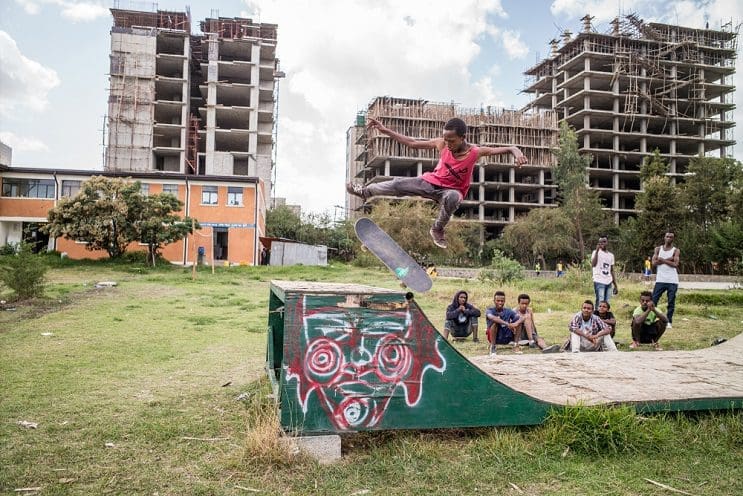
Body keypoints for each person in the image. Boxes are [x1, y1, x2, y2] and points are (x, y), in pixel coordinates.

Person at [347, 117, 527, 249]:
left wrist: (516, 150)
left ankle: (437, 228)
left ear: (463, 137)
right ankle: (366, 191)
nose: (447, 144)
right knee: (398, 184)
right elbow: (412, 143)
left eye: (452, 140)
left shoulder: (475, 152)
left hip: (450, 191)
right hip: (430, 182)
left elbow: (503, 148)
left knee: (454, 197)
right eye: (446, 139)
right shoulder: (441, 143)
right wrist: (385, 131)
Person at [652, 231, 680, 329]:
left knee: (671, 301)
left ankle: (669, 321)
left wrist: (662, 260)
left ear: (673, 239)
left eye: (671, 237)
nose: (668, 238)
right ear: (664, 237)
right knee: (653, 300)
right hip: (660, 279)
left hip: (672, 280)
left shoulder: (676, 250)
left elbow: (675, 264)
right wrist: (669, 259)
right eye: (667, 236)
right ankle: (651, 318)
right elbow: (654, 263)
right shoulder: (658, 249)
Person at [485, 291, 521, 355]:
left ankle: (516, 345)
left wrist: (516, 323)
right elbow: (492, 318)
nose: (500, 303)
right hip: (495, 337)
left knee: (519, 321)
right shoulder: (489, 310)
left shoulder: (508, 310)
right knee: (495, 322)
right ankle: (493, 347)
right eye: (498, 301)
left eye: (502, 301)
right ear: (494, 301)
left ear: (504, 301)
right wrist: (507, 324)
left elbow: (520, 317)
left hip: (507, 336)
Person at [591, 236, 618, 308]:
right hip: (599, 280)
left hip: (608, 281)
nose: (602, 243)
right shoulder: (595, 252)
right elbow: (593, 264)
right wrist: (597, 251)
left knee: (607, 303)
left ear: (607, 243)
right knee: (600, 301)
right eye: (600, 242)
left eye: (604, 242)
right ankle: (596, 317)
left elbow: (611, 270)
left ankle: (605, 318)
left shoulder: (611, 255)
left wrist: (615, 285)